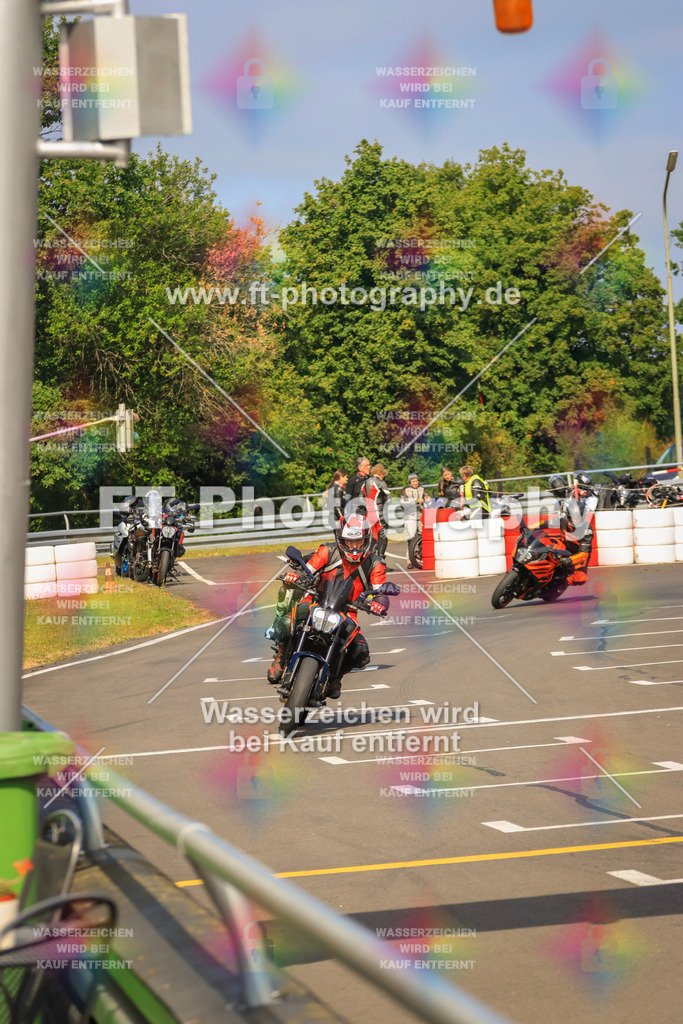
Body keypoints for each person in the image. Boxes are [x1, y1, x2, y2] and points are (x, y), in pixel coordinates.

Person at [267, 514, 390, 699]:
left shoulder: (376, 563)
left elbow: (380, 592)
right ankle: (282, 656)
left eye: (359, 541)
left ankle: (336, 677)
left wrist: (378, 603)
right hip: (315, 601)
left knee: (361, 652)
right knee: (284, 625)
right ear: (340, 539)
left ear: (367, 540)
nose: (354, 547)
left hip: (348, 612)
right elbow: (307, 570)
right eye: (349, 541)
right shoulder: (327, 551)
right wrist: (296, 577)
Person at [361, 463, 391, 561]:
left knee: (373, 537)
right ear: (381, 473)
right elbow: (389, 498)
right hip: (379, 513)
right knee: (383, 536)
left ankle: (371, 561)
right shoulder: (380, 482)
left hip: (369, 514)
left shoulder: (364, 483)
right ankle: (381, 560)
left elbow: (361, 498)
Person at [401, 472, 427, 568]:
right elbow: (403, 503)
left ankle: (422, 557)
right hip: (409, 516)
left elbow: (427, 498)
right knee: (411, 537)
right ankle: (409, 560)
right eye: (413, 481)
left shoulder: (423, 489)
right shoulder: (405, 490)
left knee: (422, 536)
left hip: (421, 515)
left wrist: (427, 500)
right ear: (410, 482)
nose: (415, 483)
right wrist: (415, 501)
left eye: (416, 481)